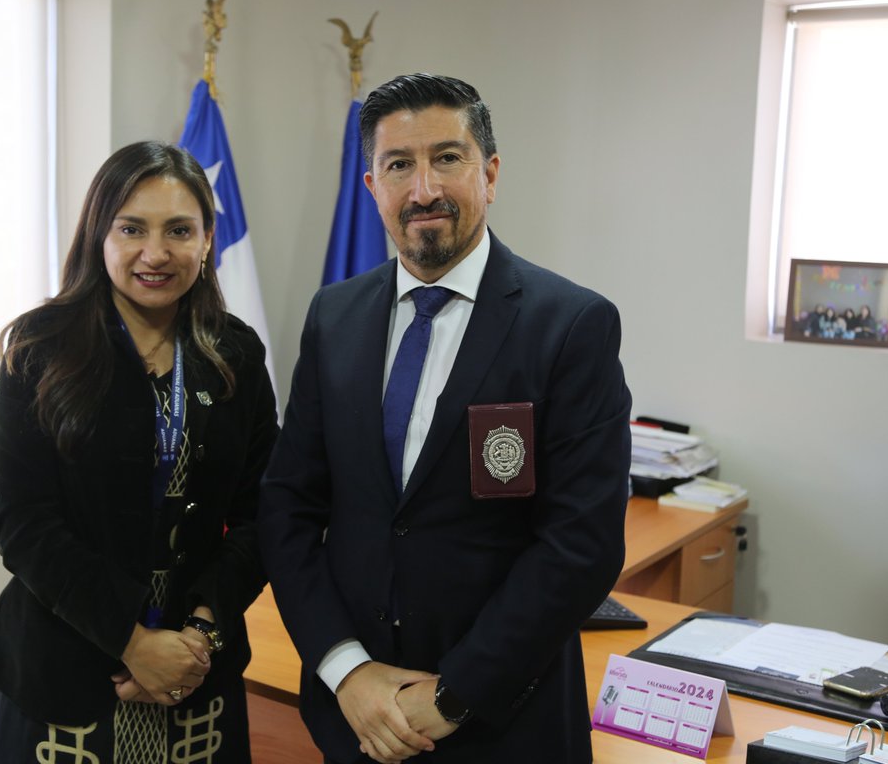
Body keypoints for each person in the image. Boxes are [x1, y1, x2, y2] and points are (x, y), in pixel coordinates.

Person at [258, 74, 632, 763]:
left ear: (489, 174)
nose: (423, 189)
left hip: (503, 724)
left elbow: (581, 545)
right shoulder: (333, 318)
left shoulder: (570, 324)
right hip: (360, 723)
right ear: (372, 186)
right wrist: (347, 670)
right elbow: (288, 507)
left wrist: (455, 696)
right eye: (398, 165)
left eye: (447, 159)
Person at [0, 141, 278, 763]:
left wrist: (196, 636)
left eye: (179, 230)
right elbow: (21, 520)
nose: (155, 253)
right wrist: (133, 641)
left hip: (200, 671)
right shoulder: (40, 351)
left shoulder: (237, 354)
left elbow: (263, 513)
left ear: (208, 240)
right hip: (67, 663)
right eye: (132, 228)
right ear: (99, 235)